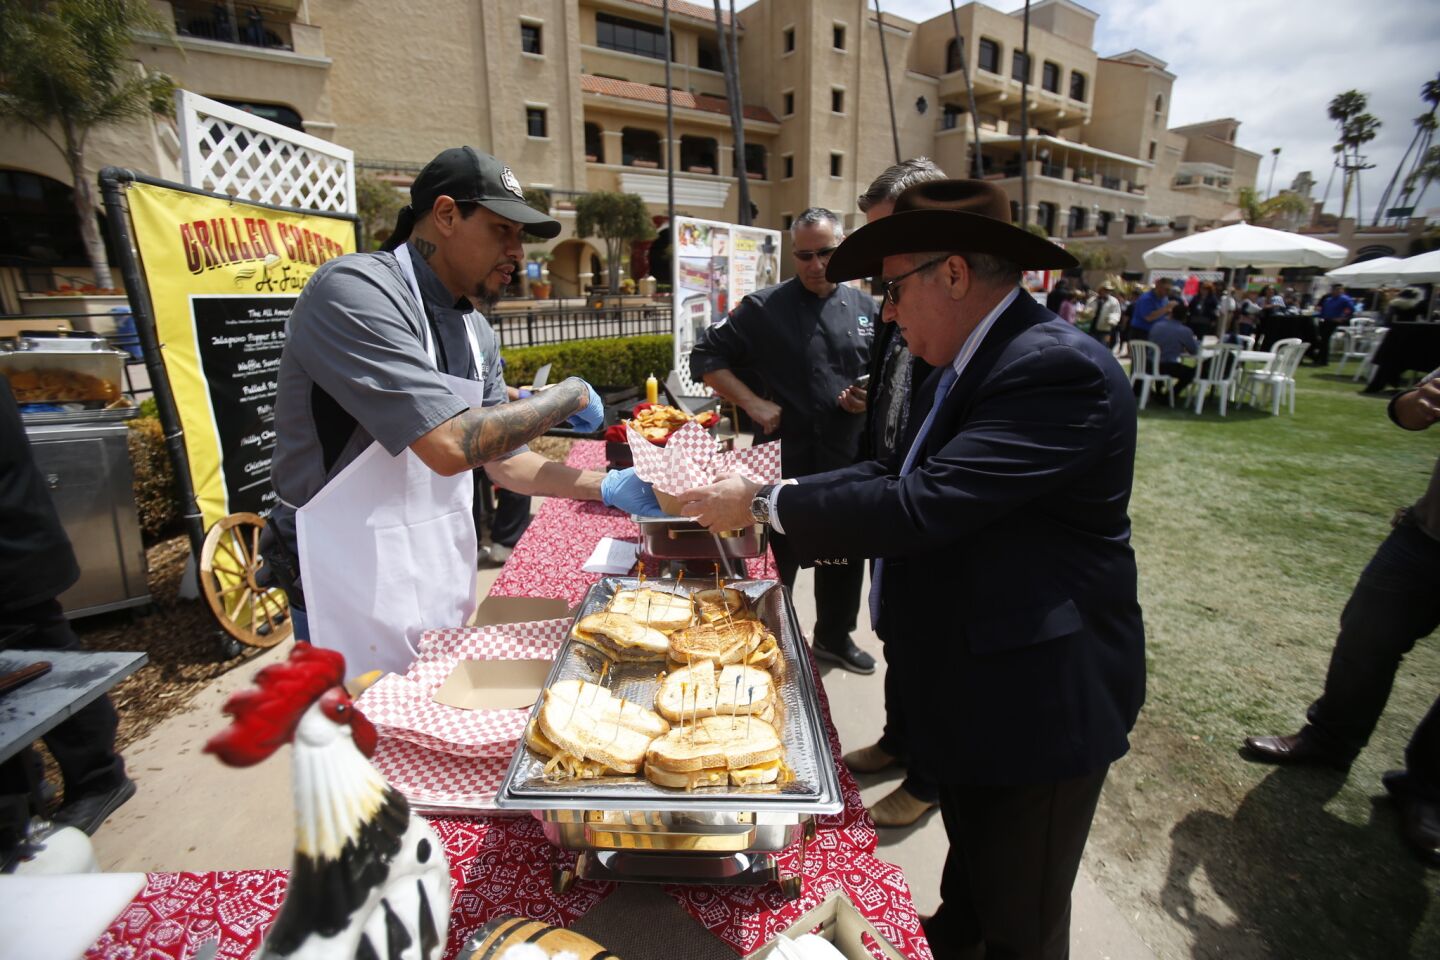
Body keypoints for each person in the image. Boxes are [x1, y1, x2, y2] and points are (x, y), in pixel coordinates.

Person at [679, 179, 1145, 960]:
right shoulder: (965, 359)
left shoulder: (1054, 369)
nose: (885, 312)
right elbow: (888, 476)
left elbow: (923, 504)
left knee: (1020, 922)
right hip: (974, 681)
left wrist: (762, 504)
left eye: (894, 289)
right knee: (969, 892)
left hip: (1038, 702)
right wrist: (765, 495)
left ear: (953, 274)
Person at [259, 146, 658, 677]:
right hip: (343, 569)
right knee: (354, 740)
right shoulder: (355, 291)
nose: (517, 253)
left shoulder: (476, 331)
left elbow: (503, 462)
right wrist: (567, 396)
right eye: (502, 231)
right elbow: (449, 446)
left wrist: (606, 486)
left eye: (521, 238)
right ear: (446, 214)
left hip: (432, 564)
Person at [1243, 369, 1440, 866]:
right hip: (1427, 535)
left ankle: (1429, 789)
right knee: (1365, 638)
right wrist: (1416, 404)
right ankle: (1329, 739)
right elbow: (1405, 410)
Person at [689, 207, 875, 674]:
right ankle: (761, 643)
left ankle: (834, 636)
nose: (816, 265)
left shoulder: (868, 310)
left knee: (843, 556)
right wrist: (752, 402)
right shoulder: (763, 309)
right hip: (781, 458)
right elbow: (706, 357)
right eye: (805, 255)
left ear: (844, 246)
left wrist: (867, 398)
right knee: (776, 564)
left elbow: (890, 374)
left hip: (844, 457)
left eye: (827, 253)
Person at [844, 158, 946, 829]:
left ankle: (931, 776)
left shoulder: (960, 322)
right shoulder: (897, 301)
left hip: (930, 511)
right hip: (889, 486)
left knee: (935, 650)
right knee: (900, 636)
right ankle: (898, 741)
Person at [0, 377, 135, 838]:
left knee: (51, 668)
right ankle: (23, 785)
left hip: (12, 555)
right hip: (18, 553)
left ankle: (98, 778)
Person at [1148, 300, 1200, 400]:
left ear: (1171, 313)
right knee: (1191, 373)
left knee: (1163, 360)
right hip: (1167, 365)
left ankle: (1160, 391)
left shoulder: (1156, 326)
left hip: (1149, 363)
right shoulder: (1184, 331)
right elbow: (1194, 351)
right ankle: (1171, 395)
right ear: (1185, 317)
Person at [1130, 276, 1175, 341]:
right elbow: (1148, 317)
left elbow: (1163, 314)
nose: (1168, 292)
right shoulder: (1146, 298)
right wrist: (1166, 308)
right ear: (1158, 286)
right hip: (1141, 332)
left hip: (1155, 333)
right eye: (1166, 289)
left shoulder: (1164, 298)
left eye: (1170, 290)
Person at [1093, 283, 1122, 350]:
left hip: (1105, 329)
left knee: (1102, 348)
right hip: (1092, 329)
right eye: (1105, 289)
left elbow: (1116, 313)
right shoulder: (1093, 300)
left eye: (1109, 290)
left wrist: (1112, 320)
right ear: (1100, 289)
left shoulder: (1114, 301)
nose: (1107, 292)